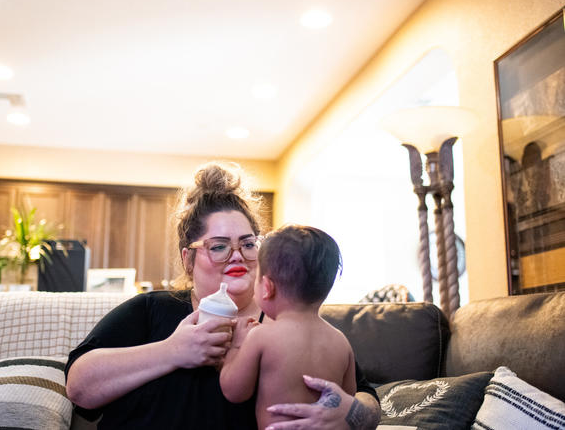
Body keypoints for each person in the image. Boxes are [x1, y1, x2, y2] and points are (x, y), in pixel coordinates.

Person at [65, 162, 380, 429]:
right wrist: (172, 351)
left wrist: (348, 416)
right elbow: (79, 387)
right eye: (218, 246)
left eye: (247, 243)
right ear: (189, 259)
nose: (237, 255)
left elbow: (367, 400)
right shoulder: (151, 309)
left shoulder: (290, 323)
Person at [220, 225, 356, 430]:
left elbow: (234, 391)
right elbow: (348, 398)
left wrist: (237, 345)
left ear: (267, 287)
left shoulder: (261, 336)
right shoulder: (341, 342)